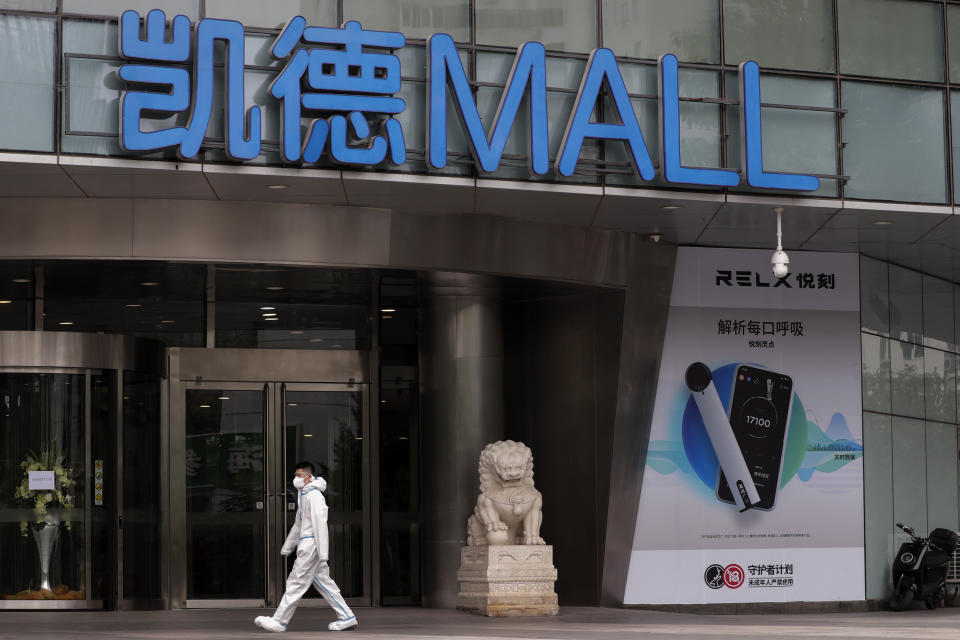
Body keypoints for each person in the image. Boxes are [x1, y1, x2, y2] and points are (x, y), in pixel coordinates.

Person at [255, 461, 357, 633]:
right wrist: (288, 546)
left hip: (311, 545)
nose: (296, 479)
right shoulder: (304, 494)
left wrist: (323, 552)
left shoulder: (314, 496)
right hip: (309, 544)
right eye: (295, 476)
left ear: (309, 476)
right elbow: (299, 523)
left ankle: (279, 621)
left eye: (299, 476)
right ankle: (347, 617)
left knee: (296, 581)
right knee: (324, 583)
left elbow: (320, 524)